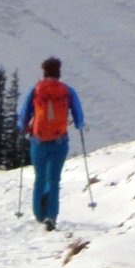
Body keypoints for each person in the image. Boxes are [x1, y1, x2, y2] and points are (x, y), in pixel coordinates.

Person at [19, 57, 84, 231]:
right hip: (59, 141)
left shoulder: (35, 90)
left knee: (40, 177)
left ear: (44, 72)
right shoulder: (67, 91)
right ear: (59, 72)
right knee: (54, 179)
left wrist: (23, 128)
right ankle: (51, 216)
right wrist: (79, 125)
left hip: (38, 141)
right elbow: (79, 116)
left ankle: (39, 214)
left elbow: (24, 114)